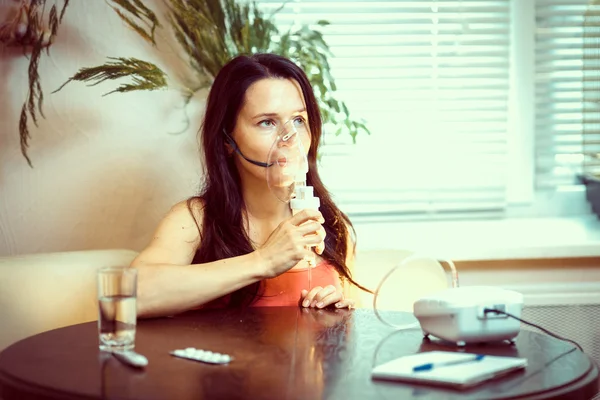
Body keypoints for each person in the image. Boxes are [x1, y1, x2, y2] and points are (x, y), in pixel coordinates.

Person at [131, 53, 370, 318]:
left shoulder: (331, 226)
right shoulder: (197, 220)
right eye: (267, 122)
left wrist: (336, 314)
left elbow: (355, 332)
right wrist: (264, 261)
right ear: (226, 139)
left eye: (299, 120)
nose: (289, 139)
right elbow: (131, 296)